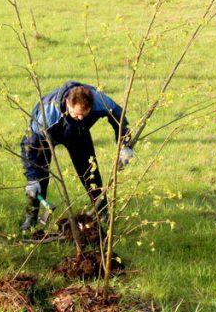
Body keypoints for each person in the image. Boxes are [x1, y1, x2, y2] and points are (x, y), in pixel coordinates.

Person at [20, 81, 134, 232]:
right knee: (39, 178)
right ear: (67, 103)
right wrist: (31, 178)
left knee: (90, 172)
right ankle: (31, 219)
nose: (80, 117)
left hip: (78, 133)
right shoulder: (47, 113)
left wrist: (124, 144)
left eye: (84, 114)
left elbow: (118, 116)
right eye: (76, 114)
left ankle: (102, 212)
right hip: (47, 135)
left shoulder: (99, 101)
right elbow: (29, 145)